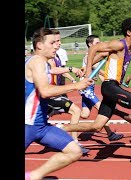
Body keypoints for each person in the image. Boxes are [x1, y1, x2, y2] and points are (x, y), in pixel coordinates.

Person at [60, 17, 131, 157]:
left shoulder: (127, 48)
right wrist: (89, 73)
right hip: (110, 86)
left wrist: (85, 68)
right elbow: (94, 48)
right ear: (128, 32)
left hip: (112, 88)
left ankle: (61, 128)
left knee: (97, 126)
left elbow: (103, 54)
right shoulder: (119, 45)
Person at [25, 27, 93, 180]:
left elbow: (50, 75)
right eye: (52, 42)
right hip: (27, 125)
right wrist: (76, 85)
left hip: (41, 126)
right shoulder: (37, 62)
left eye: (57, 42)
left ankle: (33, 176)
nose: (57, 45)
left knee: (75, 151)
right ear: (39, 45)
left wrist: (71, 72)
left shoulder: (44, 63)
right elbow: (45, 91)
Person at [47, 29, 90, 154]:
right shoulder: (48, 58)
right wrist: (71, 69)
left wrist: (74, 74)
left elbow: (60, 70)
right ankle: (75, 142)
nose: (59, 43)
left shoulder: (57, 56)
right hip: (50, 94)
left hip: (55, 93)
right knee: (76, 111)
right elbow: (54, 70)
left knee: (39, 122)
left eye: (60, 40)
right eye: (56, 41)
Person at [80, 34, 124, 141]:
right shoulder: (88, 57)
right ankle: (110, 134)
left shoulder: (95, 57)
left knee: (84, 114)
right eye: (97, 43)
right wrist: (112, 77)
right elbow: (99, 71)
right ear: (90, 45)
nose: (99, 45)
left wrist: (110, 84)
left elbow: (100, 75)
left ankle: (56, 110)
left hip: (90, 88)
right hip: (86, 89)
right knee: (102, 110)